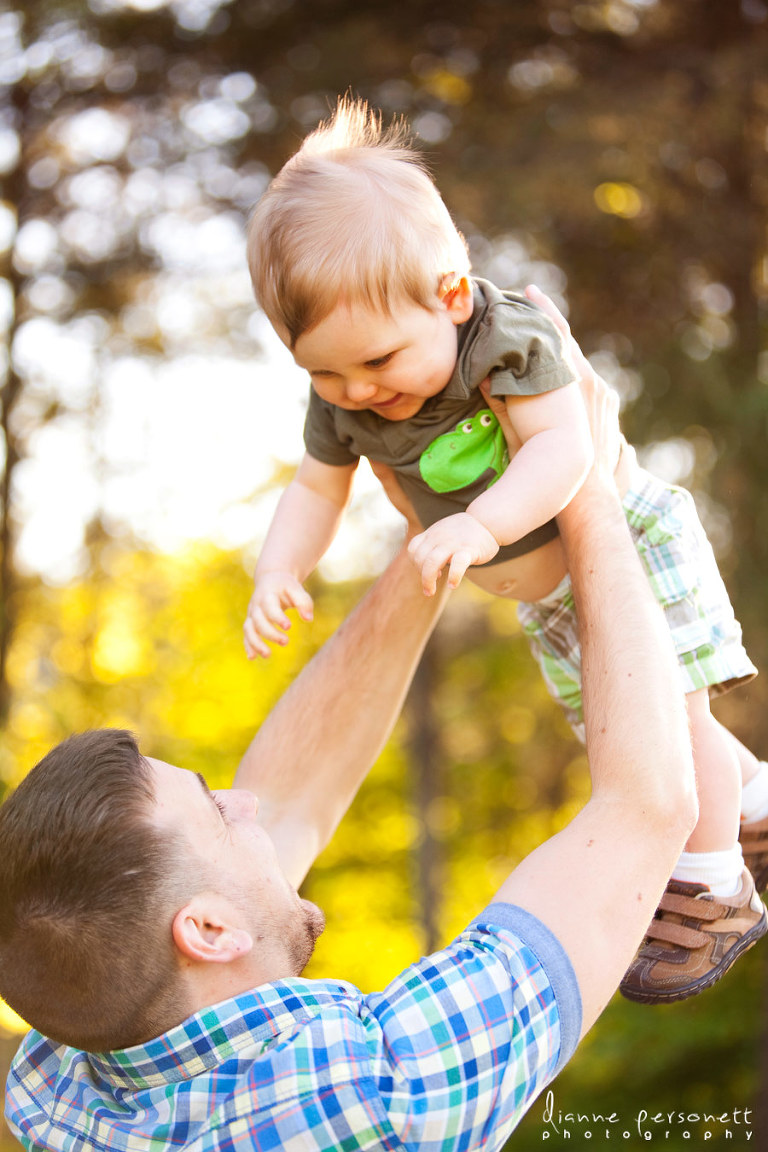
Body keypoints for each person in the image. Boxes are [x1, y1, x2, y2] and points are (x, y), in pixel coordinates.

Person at [2, 320, 699, 1150]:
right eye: (216, 811)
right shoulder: (381, 1092)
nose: (243, 804)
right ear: (209, 933)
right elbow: (644, 808)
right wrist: (579, 479)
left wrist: (434, 540)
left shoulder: (67, 1071)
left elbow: (283, 806)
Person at [242, 97, 768, 1004]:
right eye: (324, 372)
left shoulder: (503, 338)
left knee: (667, 726)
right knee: (616, 734)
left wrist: (480, 527)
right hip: (551, 596)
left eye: (377, 361)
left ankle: (715, 884)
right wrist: (280, 568)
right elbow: (315, 486)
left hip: (627, 545)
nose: (357, 391)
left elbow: (570, 451)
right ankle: (753, 801)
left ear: (448, 296)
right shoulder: (347, 396)